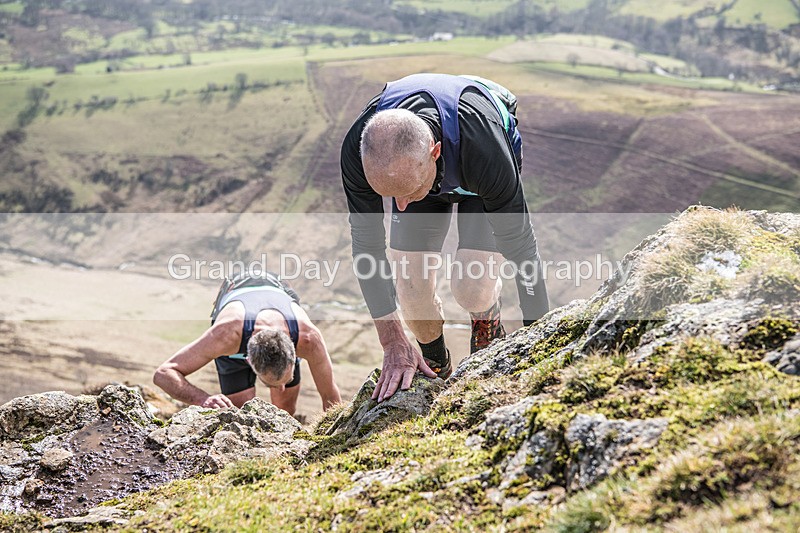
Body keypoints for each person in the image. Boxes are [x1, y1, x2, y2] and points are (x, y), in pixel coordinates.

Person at [341, 73, 549, 402]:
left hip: (473, 164)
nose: (401, 206)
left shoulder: (485, 149)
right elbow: (367, 247)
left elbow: (522, 248)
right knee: (410, 291)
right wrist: (392, 342)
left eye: (407, 193)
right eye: (389, 196)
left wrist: (542, 340)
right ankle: (435, 363)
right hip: (422, 170)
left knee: (472, 286)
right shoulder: (360, 149)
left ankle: (487, 323)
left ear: (434, 152)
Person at [153, 272, 341, 414]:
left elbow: (331, 397)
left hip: (274, 292)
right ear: (248, 361)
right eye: (272, 383)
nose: (282, 388)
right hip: (238, 305)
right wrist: (204, 399)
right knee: (240, 410)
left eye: (288, 378)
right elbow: (164, 373)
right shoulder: (225, 335)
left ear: (294, 353)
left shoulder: (308, 339)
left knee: (285, 408)